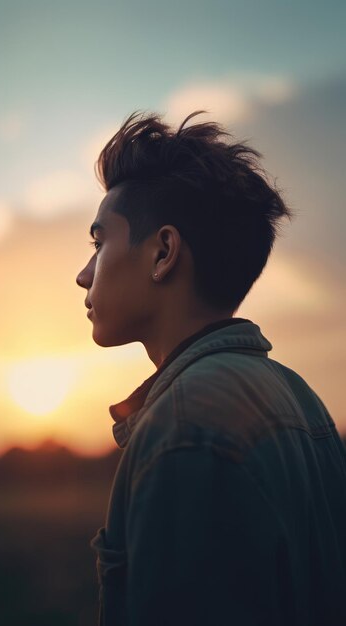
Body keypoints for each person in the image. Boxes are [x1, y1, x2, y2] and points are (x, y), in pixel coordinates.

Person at [76, 111, 346, 626]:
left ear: (163, 253)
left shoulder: (185, 425)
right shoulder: (299, 393)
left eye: (98, 243)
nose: (83, 274)